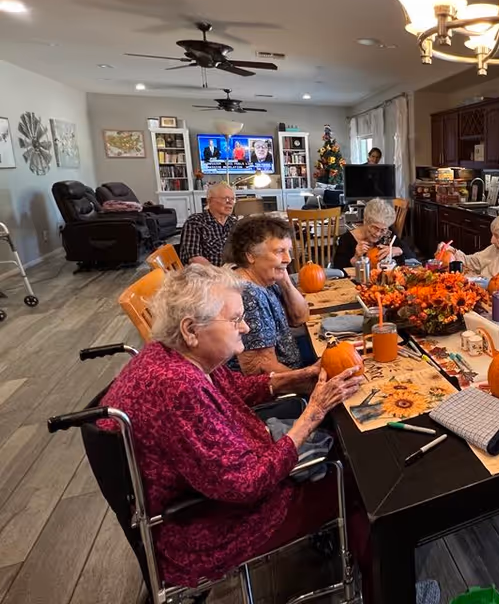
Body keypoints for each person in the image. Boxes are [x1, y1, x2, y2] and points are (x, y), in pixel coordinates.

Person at [98, 265, 365, 587]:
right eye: (235, 319)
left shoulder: (175, 355)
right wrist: (315, 411)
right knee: (360, 483)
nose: (247, 326)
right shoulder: (178, 387)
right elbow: (247, 484)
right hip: (206, 528)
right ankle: (380, 581)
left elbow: (231, 389)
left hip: (203, 495)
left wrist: (299, 376)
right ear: (190, 329)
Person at [225, 216, 312, 374]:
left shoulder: (264, 278)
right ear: (250, 255)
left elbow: (300, 318)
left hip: (292, 360)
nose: (288, 259)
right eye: (279, 251)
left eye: (289, 251)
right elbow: (259, 368)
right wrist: (312, 384)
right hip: (282, 383)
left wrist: (285, 280)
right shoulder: (248, 294)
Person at [333, 198, 415, 271]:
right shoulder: (347, 239)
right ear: (365, 221)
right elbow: (339, 271)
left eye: (383, 229)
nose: (378, 233)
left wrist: (399, 250)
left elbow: (412, 257)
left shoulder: (388, 234)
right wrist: (356, 257)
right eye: (375, 227)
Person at [179, 182, 238, 267]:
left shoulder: (234, 223)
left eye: (233, 199)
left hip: (233, 273)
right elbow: (194, 258)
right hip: (206, 276)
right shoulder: (195, 222)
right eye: (226, 198)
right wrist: (219, 273)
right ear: (210, 201)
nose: (230, 203)